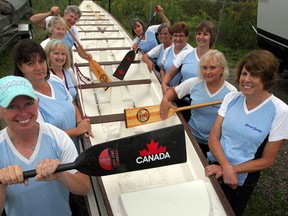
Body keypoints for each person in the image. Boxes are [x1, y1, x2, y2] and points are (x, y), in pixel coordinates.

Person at [204, 50, 288, 216]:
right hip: (215, 165)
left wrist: (231, 170)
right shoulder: (231, 98)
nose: (246, 80)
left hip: (241, 181)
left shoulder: (280, 111)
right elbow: (213, 138)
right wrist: (225, 167)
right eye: (244, 73)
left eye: (254, 75)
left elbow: (267, 160)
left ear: (267, 78)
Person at [0, 75, 90, 216]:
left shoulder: (57, 136)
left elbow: (84, 187)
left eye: (29, 103)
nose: (23, 113)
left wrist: (61, 175)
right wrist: (2, 185)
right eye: (12, 106)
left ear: (38, 103)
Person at [12, 38, 93, 153]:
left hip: (73, 150)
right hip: (55, 160)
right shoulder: (25, 100)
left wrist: (80, 121)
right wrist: (78, 130)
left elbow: (71, 103)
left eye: (41, 61)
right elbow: (42, 137)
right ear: (20, 67)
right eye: (30, 64)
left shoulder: (54, 80)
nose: (39, 68)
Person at [160, 49, 237, 157]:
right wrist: (165, 100)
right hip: (191, 137)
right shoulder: (194, 82)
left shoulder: (232, 92)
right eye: (204, 67)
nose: (207, 72)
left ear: (222, 69)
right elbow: (173, 92)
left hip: (215, 144)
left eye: (213, 68)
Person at [161, 20, 216, 122]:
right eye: (199, 33)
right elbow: (169, 74)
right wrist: (164, 84)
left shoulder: (216, 59)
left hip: (201, 104)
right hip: (181, 98)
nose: (201, 37)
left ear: (211, 37)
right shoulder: (185, 54)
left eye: (205, 34)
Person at [160, 21, 193, 87]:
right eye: (175, 35)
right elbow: (162, 69)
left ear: (187, 37)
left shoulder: (191, 53)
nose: (178, 39)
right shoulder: (167, 50)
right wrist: (164, 83)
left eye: (181, 36)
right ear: (171, 36)